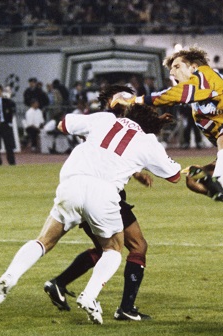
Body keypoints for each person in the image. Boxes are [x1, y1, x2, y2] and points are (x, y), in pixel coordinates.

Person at [0, 95, 182, 324]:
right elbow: (174, 176)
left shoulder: (105, 119)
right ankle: (90, 297)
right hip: (104, 193)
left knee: (44, 241)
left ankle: (10, 276)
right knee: (113, 249)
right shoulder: (148, 141)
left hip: (71, 183)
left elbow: (63, 124)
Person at [43, 85, 169, 321]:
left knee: (105, 250)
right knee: (136, 246)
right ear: (115, 100)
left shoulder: (106, 122)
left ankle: (59, 283)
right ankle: (124, 308)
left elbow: (110, 155)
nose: (131, 102)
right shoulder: (108, 120)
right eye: (127, 98)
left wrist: (137, 173)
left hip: (83, 191)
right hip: (103, 195)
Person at [118, 47, 223, 207]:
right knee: (194, 178)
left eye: (177, 66)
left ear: (194, 67)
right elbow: (219, 140)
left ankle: (219, 183)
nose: (172, 73)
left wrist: (136, 100)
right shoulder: (197, 111)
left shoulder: (205, 74)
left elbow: (179, 94)